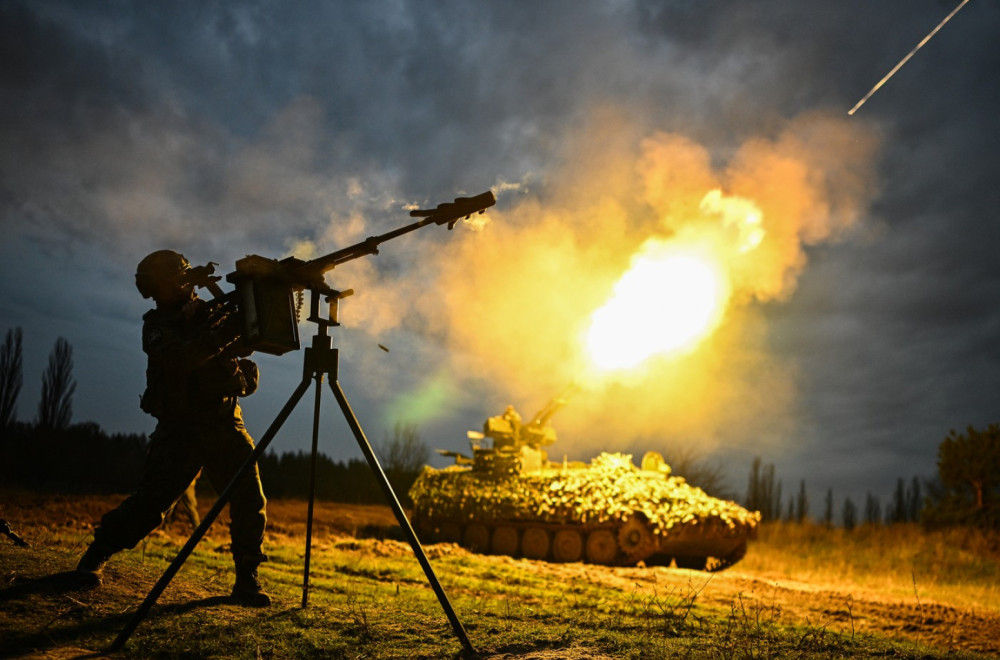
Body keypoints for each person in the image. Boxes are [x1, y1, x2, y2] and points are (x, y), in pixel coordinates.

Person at [75, 250, 271, 606]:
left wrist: (248, 315)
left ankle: (247, 579)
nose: (178, 289)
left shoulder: (208, 313)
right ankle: (96, 555)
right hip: (181, 430)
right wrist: (222, 331)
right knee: (152, 507)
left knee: (248, 499)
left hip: (225, 422)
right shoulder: (157, 328)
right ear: (156, 291)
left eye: (181, 281)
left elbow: (245, 346)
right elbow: (183, 358)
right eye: (169, 284)